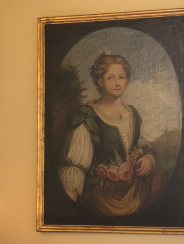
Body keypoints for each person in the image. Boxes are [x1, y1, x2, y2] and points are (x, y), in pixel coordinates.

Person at [59, 50, 159, 216]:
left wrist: (149, 158)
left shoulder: (132, 114)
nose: (117, 82)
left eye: (121, 77)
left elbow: (140, 143)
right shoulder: (88, 115)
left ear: (127, 80)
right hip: (100, 198)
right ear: (100, 81)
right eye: (110, 78)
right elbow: (74, 168)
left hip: (136, 194)